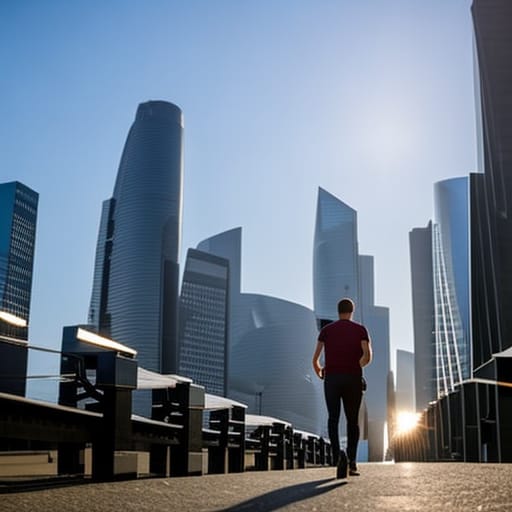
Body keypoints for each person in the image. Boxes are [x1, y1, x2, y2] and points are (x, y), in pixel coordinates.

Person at [312, 298, 372, 477]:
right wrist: (356, 366)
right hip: (353, 378)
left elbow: (315, 359)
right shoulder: (360, 330)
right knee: (352, 421)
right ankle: (352, 462)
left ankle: (337, 457)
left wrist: (321, 372)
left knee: (333, 419)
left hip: (331, 379)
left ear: (338, 311)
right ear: (352, 311)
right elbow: (367, 356)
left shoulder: (326, 331)